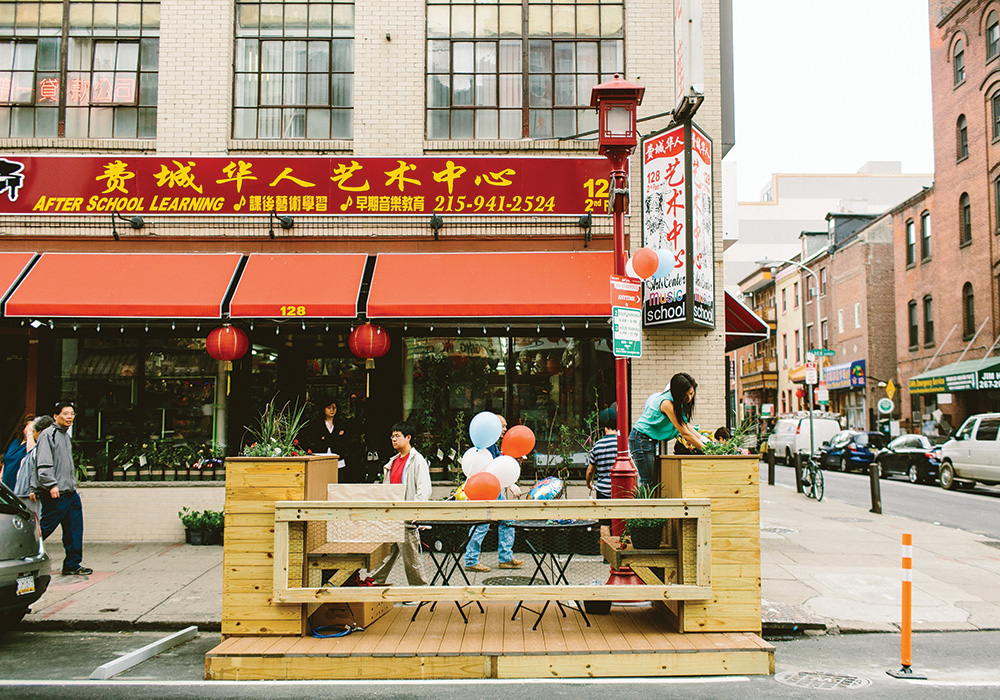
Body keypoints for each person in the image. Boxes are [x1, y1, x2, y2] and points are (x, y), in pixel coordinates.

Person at [35, 401, 92, 576]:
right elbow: (43, 463)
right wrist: (51, 484)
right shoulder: (48, 435)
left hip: (70, 492)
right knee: (45, 528)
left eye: (72, 414)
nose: (69, 417)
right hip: (55, 492)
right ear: (55, 416)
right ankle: (21, 551)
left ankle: (72, 564)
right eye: (65, 413)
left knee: (75, 528)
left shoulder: (65, 436)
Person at [369, 421, 429, 586]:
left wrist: (416, 513)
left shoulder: (417, 460)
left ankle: (419, 589)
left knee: (411, 557)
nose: (394, 439)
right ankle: (374, 582)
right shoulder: (393, 461)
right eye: (392, 436)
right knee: (385, 554)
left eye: (397, 436)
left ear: (408, 437)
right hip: (392, 516)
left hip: (407, 517)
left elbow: (423, 490)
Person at [464, 415, 523, 573]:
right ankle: (473, 560)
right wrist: (510, 484)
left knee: (503, 520)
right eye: (502, 426)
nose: (505, 429)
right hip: (485, 489)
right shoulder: (488, 445)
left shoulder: (491, 444)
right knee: (483, 523)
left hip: (489, 488)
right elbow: (493, 468)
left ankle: (504, 558)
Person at [628, 373, 705, 488]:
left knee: (653, 481)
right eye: (686, 395)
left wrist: (703, 439)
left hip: (647, 439)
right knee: (648, 482)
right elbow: (684, 433)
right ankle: (643, 500)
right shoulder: (667, 403)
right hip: (641, 439)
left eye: (691, 393)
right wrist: (707, 449)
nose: (689, 398)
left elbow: (685, 425)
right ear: (677, 393)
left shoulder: (677, 402)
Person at [14, 415, 55, 520]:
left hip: (30, 494)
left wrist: (33, 489)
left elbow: (39, 470)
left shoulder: (43, 448)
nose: (32, 433)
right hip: (23, 492)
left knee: (34, 521)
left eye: (34, 431)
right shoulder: (37, 448)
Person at [586, 408, 617, 499]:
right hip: (620, 488)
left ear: (604, 428)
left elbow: (590, 471)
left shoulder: (597, 445)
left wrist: (588, 483)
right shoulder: (623, 444)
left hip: (602, 491)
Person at [2, 414, 35, 492]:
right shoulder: (15, 442)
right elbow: (6, 460)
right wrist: (1, 477)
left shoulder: (33, 444)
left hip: (18, 484)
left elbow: (32, 452)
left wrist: (30, 434)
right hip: (6, 481)